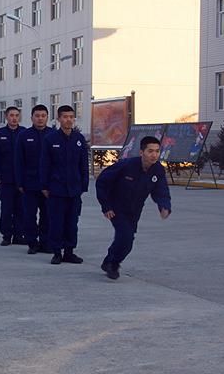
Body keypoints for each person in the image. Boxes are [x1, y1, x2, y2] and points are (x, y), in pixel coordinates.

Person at [95, 135, 171, 280]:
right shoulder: (126, 165)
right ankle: (113, 264)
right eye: (150, 151)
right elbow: (102, 182)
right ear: (142, 152)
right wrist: (106, 206)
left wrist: (164, 206)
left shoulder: (158, 170)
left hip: (134, 210)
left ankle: (109, 261)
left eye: (156, 151)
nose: (154, 155)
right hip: (116, 207)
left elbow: (161, 190)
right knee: (126, 238)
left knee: (125, 239)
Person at [40, 105, 89, 265]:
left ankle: (69, 251)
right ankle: (56, 252)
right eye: (65, 117)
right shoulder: (51, 139)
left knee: (72, 222)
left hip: (74, 190)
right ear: (59, 119)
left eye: (71, 117)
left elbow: (83, 165)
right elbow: (45, 165)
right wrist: (45, 186)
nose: (69, 120)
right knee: (56, 222)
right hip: (56, 189)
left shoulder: (79, 139)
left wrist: (83, 186)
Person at [14, 104, 53, 254]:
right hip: (29, 184)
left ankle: (45, 242)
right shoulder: (24, 136)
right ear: (32, 118)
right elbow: (19, 161)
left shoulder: (53, 135)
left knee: (47, 215)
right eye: (37, 116)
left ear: (47, 117)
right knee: (29, 216)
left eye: (43, 116)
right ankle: (32, 243)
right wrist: (20, 182)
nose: (40, 119)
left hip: (48, 185)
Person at [0, 106, 26, 246]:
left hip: (22, 180)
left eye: (17, 115)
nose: (14, 118)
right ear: (6, 117)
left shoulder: (24, 133)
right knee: (6, 209)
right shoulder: (0, 134)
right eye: (11, 115)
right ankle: (6, 235)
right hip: (6, 179)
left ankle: (19, 235)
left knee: (21, 209)